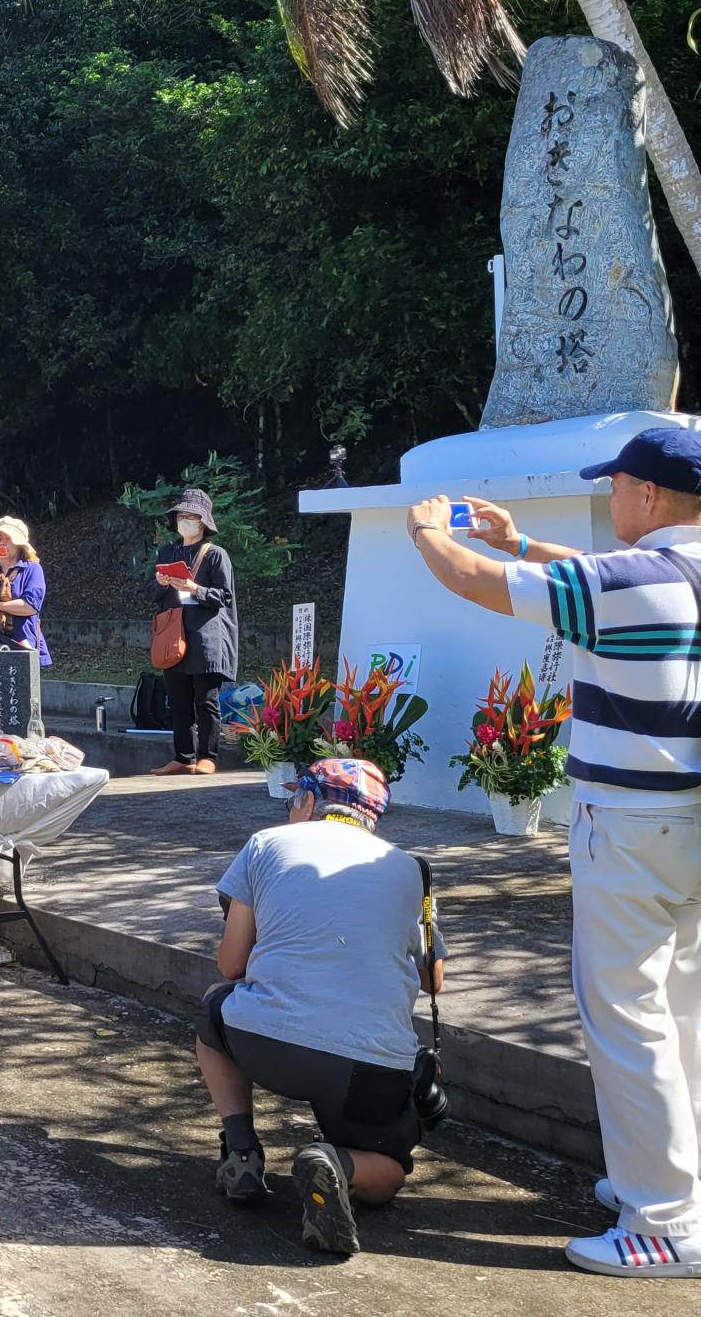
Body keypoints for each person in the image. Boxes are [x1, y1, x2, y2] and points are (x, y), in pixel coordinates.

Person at [405, 426, 701, 1278]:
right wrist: (525, 541)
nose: (610, 499)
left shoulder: (623, 579)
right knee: (681, 1012)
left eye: (616, 487)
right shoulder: (665, 576)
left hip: (630, 827)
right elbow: (601, 580)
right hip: (691, 820)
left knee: (628, 1020)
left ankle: (665, 1222)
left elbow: (474, 580)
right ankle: (679, 1183)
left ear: (647, 496)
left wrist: (431, 528)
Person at [197, 758, 442, 1258]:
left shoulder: (267, 843)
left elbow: (229, 965)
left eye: (293, 800)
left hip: (265, 1045)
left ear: (308, 801)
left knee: (214, 1008)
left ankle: (241, 1151)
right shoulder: (408, 867)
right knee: (389, 1174)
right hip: (368, 1069)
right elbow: (432, 979)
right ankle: (337, 1163)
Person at [149, 487, 241, 777]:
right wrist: (162, 582)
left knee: (206, 700)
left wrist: (195, 589)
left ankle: (208, 756)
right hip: (173, 634)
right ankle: (182, 756)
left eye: (190, 516)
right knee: (177, 700)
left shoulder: (216, 555)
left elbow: (224, 597)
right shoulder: (167, 552)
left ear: (202, 522)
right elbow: (150, 593)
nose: (184, 521)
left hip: (207, 635)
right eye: (181, 516)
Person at [0, 516, 52, 662]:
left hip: (22, 644)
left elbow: (31, 606)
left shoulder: (32, 569)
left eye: (8, 538)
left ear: (19, 543)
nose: (2, 542)